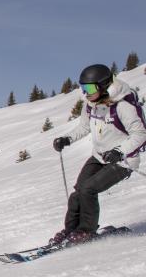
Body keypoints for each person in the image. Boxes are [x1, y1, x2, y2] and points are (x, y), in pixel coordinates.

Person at [50, 63, 146, 245]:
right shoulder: (90, 105)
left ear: (104, 86)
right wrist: (67, 139)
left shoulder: (123, 106)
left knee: (88, 189)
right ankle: (70, 231)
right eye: (83, 88)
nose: (86, 93)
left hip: (123, 161)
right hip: (99, 156)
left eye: (90, 88)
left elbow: (140, 134)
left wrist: (120, 151)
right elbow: (84, 127)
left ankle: (87, 231)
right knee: (78, 193)